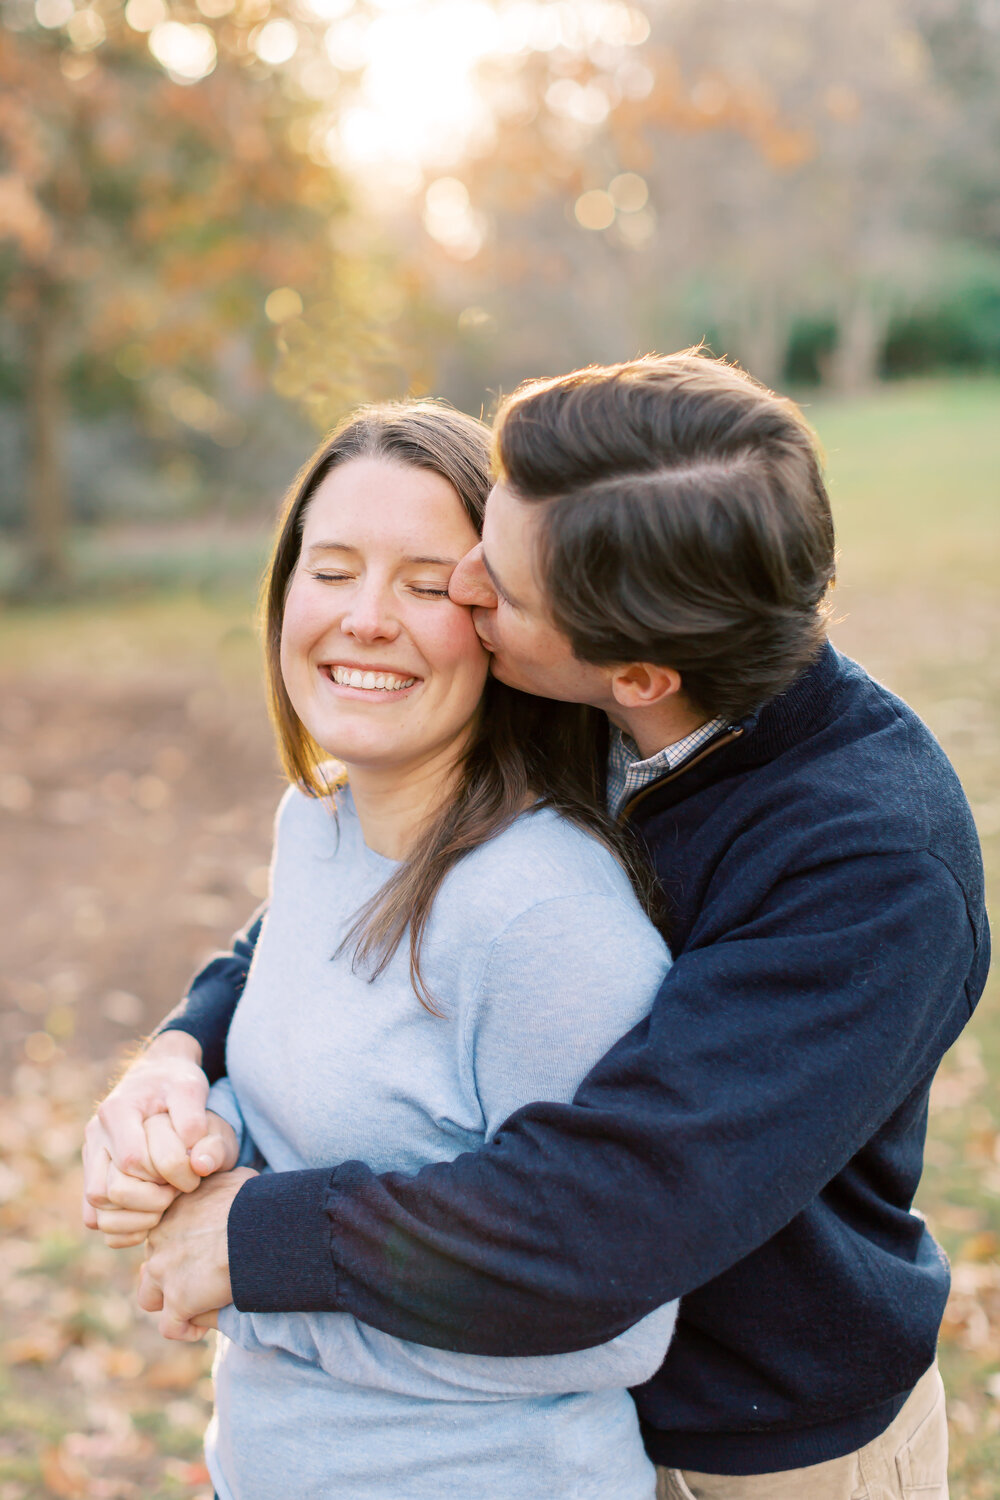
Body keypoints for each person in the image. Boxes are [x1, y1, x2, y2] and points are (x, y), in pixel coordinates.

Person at [85, 352, 989, 1500]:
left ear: (637, 672)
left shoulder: (870, 869)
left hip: (760, 1443)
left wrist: (252, 1237)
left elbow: (610, 1211)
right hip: (537, 1406)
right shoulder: (587, 678)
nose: (458, 586)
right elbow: (351, 892)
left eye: (494, 588)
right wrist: (182, 1044)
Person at [92, 399, 680, 1500]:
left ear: (501, 622)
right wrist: (168, 1124)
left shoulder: (542, 915)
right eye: (331, 569)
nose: (365, 618)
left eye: (425, 585)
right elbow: (313, 1087)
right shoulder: (314, 823)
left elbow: (614, 1323)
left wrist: (248, 1274)